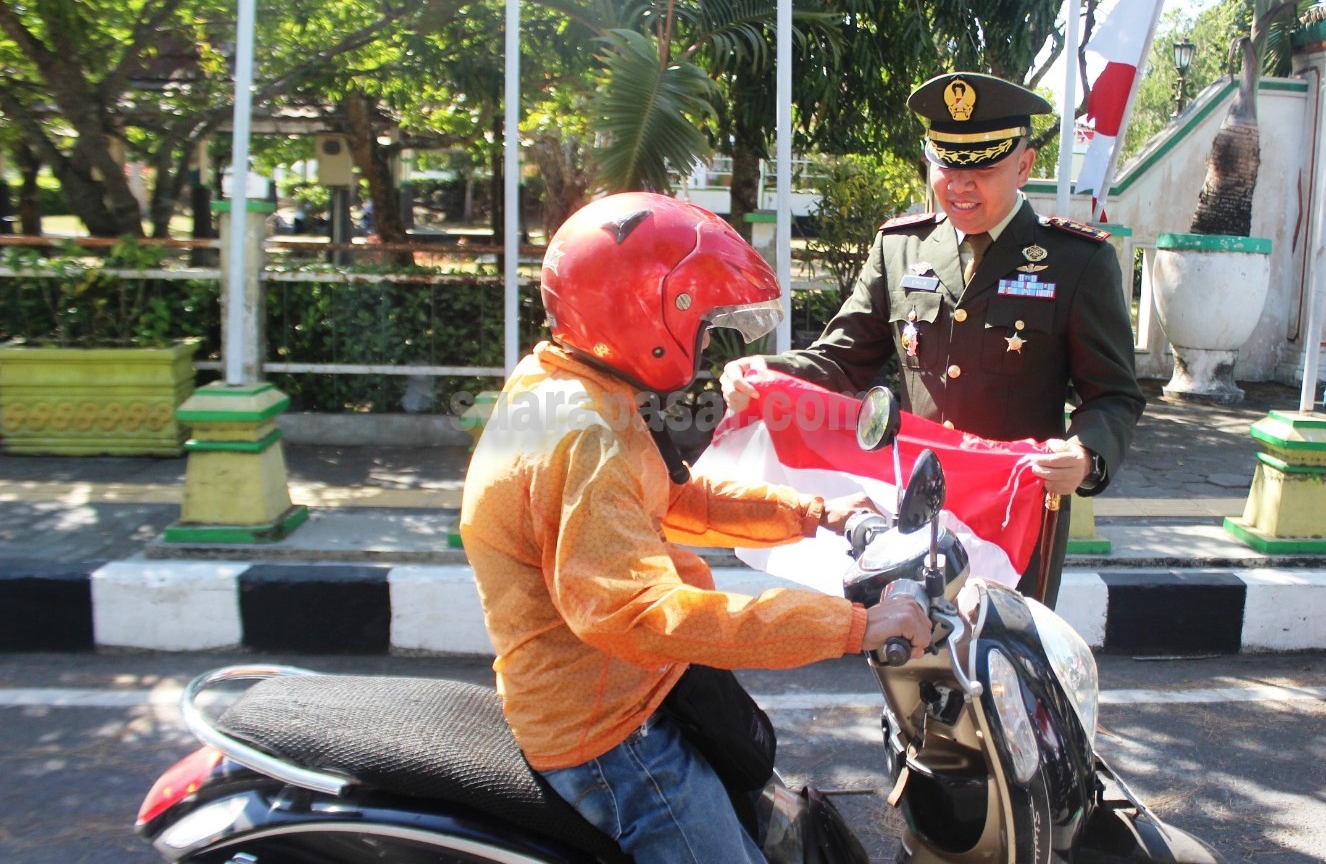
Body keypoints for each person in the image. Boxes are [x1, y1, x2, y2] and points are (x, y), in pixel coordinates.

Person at [459, 192, 932, 864]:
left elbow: (680, 497)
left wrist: (815, 512)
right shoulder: (585, 433)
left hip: (633, 693)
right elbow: (654, 616)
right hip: (615, 740)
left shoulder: (567, 382)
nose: (708, 339)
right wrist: (856, 626)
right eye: (703, 321)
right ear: (650, 313)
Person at [721, 72, 1146, 609]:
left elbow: (1113, 395)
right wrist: (765, 372)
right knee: (909, 661)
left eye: (983, 168)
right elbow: (843, 358)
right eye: (946, 165)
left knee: (1003, 674)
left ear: (1025, 164)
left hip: (1011, 517)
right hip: (913, 507)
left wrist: (1086, 453)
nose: (959, 186)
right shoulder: (900, 248)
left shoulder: (1077, 262)